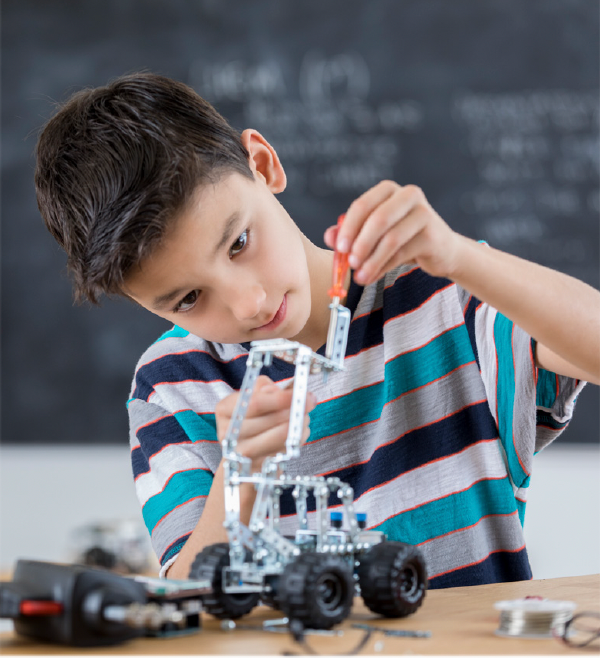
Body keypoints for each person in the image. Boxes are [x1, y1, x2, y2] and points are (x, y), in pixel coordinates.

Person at [35, 72, 599, 586]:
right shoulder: (172, 385)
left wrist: (459, 258)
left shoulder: (445, 296)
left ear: (262, 164)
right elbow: (191, 602)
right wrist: (242, 474)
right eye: (188, 299)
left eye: (238, 243)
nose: (250, 304)